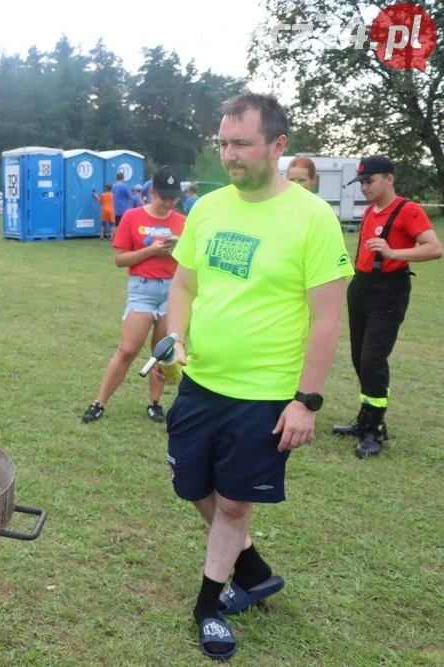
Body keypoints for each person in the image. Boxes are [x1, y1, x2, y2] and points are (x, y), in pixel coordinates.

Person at [164, 91, 353, 660]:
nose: (230, 155)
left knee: (234, 504)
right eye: (223, 143)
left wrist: (306, 401)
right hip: (202, 381)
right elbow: (184, 285)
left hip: (266, 394)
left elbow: (326, 319)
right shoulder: (208, 208)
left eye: (242, 143)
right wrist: (175, 337)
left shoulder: (313, 218)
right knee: (191, 484)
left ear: (277, 145)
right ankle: (252, 565)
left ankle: (209, 604)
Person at [332, 155, 442, 458]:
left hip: (389, 291)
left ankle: (375, 430)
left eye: (369, 181)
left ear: (389, 179)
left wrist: (393, 251)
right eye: (362, 182)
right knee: (359, 356)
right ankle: (366, 418)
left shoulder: (409, 210)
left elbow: (434, 248)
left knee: (373, 359)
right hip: (361, 287)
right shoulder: (369, 212)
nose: (364, 187)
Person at [81, 166, 185, 425]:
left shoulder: (183, 222)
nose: (169, 203)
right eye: (164, 197)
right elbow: (120, 259)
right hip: (143, 289)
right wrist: (151, 252)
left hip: (172, 290)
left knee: (161, 354)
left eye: (174, 198)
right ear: (152, 192)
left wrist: (174, 253)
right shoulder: (132, 216)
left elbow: (189, 261)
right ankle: (99, 402)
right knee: (127, 350)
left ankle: (154, 403)